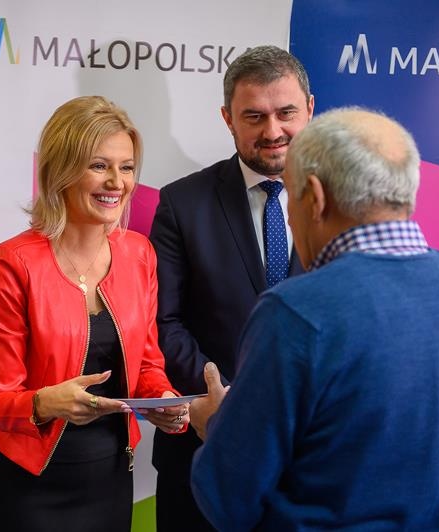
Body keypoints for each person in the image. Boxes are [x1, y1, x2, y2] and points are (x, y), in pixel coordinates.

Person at [190, 107, 439, 530]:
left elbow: (228, 497)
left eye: (291, 196)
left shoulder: (295, 313)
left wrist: (217, 425)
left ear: (315, 197)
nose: (289, 217)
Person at [0, 95, 189, 532]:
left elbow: (147, 364)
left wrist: (165, 399)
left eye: (126, 167)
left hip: (111, 473)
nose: (117, 182)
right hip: (32, 482)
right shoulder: (14, 262)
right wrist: (45, 402)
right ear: (61, 170)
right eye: (98, 165)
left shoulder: (140, 255)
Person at [149, 45, 313, 530]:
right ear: (228, 118)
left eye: (286, 113)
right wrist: (227, 398)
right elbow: (163, 321)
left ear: (310, 108)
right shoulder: (182, 203)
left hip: (311, 458)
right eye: (254, 116)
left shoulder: (344, 203)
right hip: (202, 453)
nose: (273, 130)